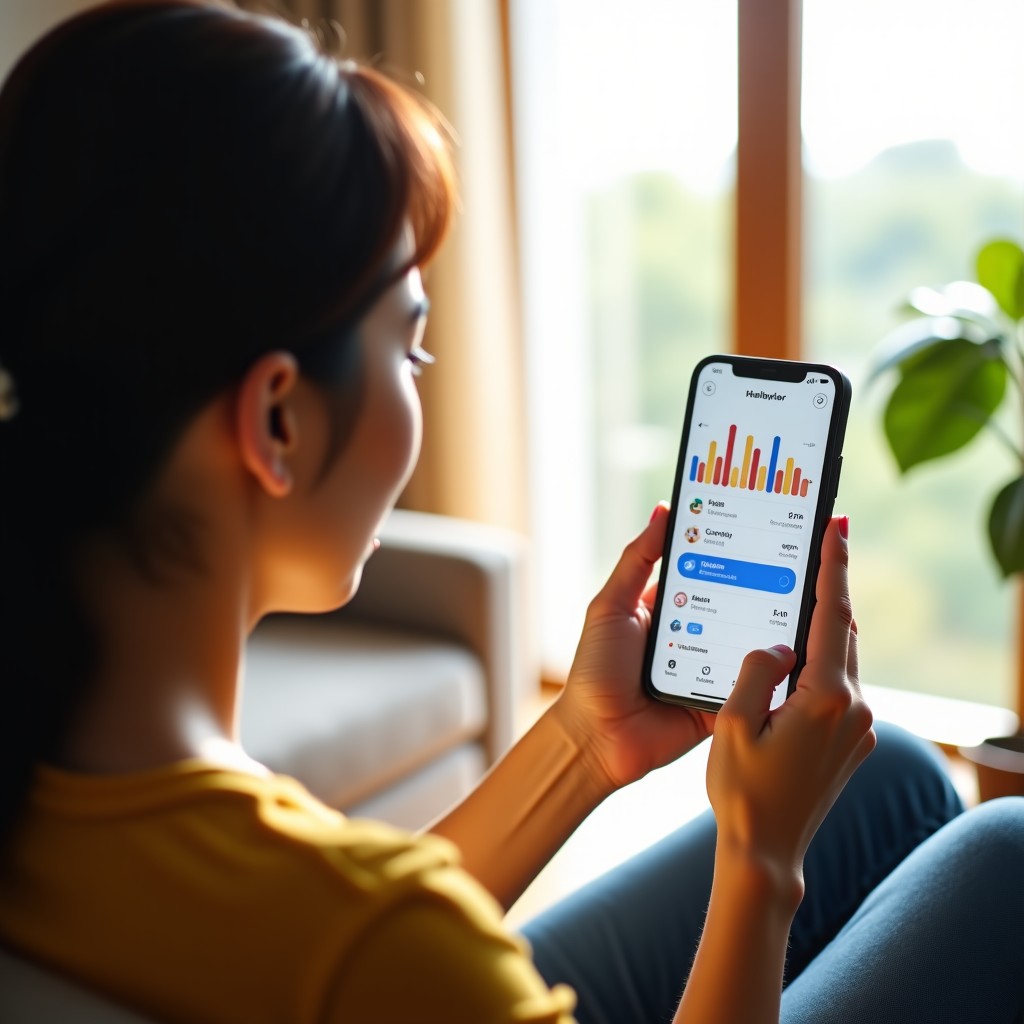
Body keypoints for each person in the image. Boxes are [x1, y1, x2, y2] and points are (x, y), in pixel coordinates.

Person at [0, 3, 1021, 1022]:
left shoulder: (83, 793)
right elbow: (370, 951)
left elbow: (324, 940)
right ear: (277, 420)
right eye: (409, 342)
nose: (422, 380)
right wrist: (759, 865)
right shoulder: (386, 949)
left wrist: (582, 743)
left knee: (886, 775)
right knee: (1001, 855)